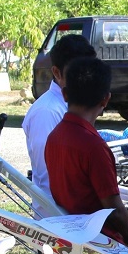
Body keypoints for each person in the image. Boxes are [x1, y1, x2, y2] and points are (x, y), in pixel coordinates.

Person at [45, 56, 128, 249]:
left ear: (64, 94)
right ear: (106, 99)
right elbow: (113, 208)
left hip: (67, 239)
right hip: (102, 244)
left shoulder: (54, 137)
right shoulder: (94, 146)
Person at [22, 34, 96, 195]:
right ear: (57, 72)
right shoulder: (46, 113)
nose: (85, 77)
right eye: (76, 71)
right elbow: (48, 177)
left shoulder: (77, 105)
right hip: (57, 215)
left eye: (90, 69)